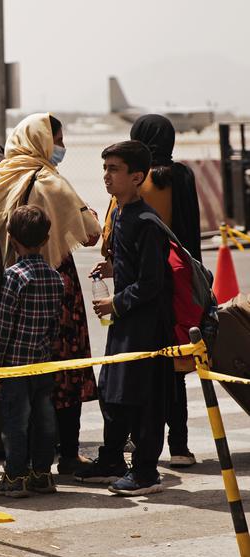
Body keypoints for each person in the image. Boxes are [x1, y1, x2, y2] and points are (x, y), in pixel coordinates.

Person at [0, 113, 102, 475]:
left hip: (8, 283)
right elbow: (90, 233)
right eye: (57, 140)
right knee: (64, 368)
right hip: (54, 283)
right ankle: (67, 453)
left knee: (18, 383)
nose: (60, 148)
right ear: (43, 142)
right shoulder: (50, 181)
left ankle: (22, 459)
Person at [100, 115, 203, 468]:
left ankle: (136, 447)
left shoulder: (137, 191)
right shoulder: (182, 176)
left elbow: (109, 238)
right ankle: (180, 446)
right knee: (174, 364)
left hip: (145, 286)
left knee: (142, 369)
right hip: (181, 279)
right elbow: (192, 230)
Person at [75, 141, 173, 496]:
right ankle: (112, 459)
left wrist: (116, 303)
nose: (106, 176)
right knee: (112, 394)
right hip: (124, 321)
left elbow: (152, 283)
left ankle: (146, 471)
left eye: (114, 169)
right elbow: (134, 268)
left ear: (136, 177)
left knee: (143, 398)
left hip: (145, 326)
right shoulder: (119, 215)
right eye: (105, 169)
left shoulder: (147, 222)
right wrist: (114, 268)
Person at [0, 205, 65, 498]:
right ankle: (42, 474)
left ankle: (15, 476)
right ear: (46, 240)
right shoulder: (55, 277)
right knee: (44, 420)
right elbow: (54, 324)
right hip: (43, 363)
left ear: (11, 238)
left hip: (15, 366)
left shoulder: (13, 277)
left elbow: (3, 326)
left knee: (15, 423)